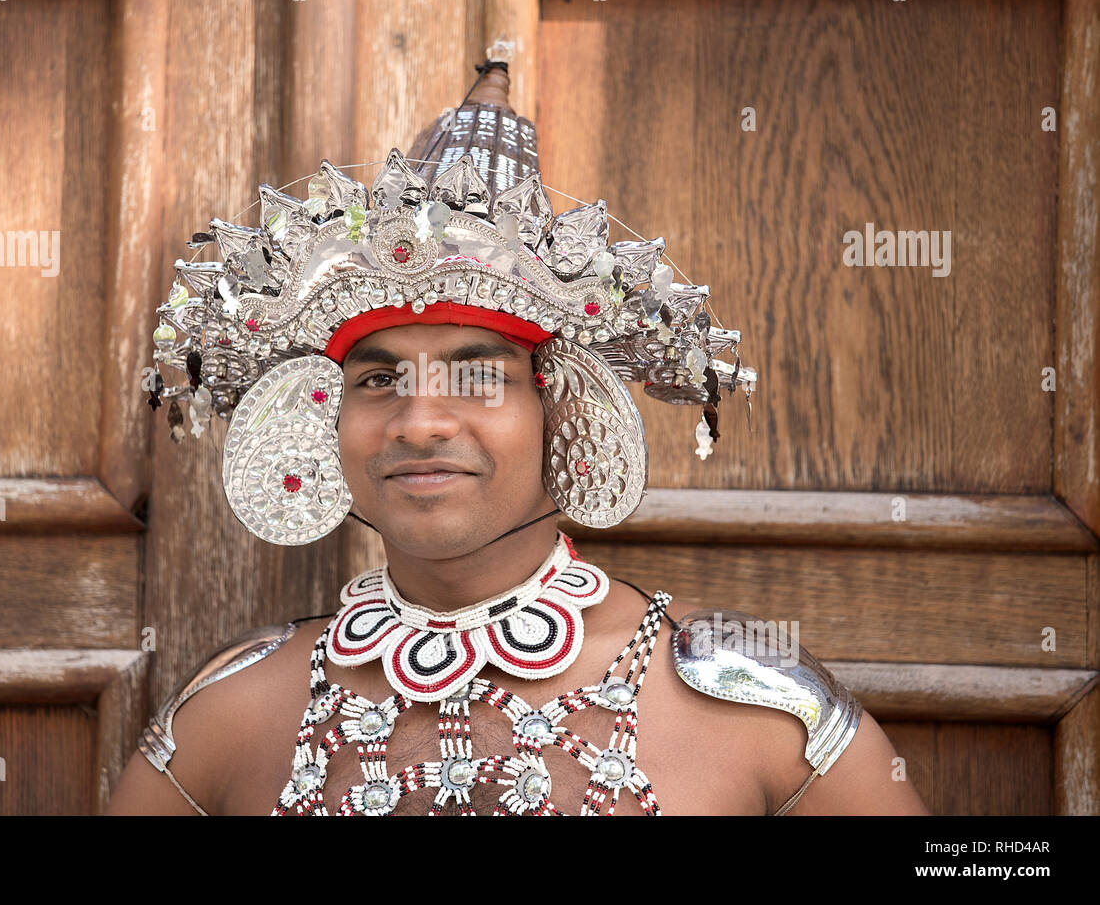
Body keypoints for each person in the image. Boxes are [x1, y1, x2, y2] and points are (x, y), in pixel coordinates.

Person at [106, 47, 929, 817]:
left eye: (478, 375)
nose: (420, 422)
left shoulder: (750, 703)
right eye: (379, 379)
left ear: (563, 405)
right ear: (323, 416)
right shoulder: (235, 712)